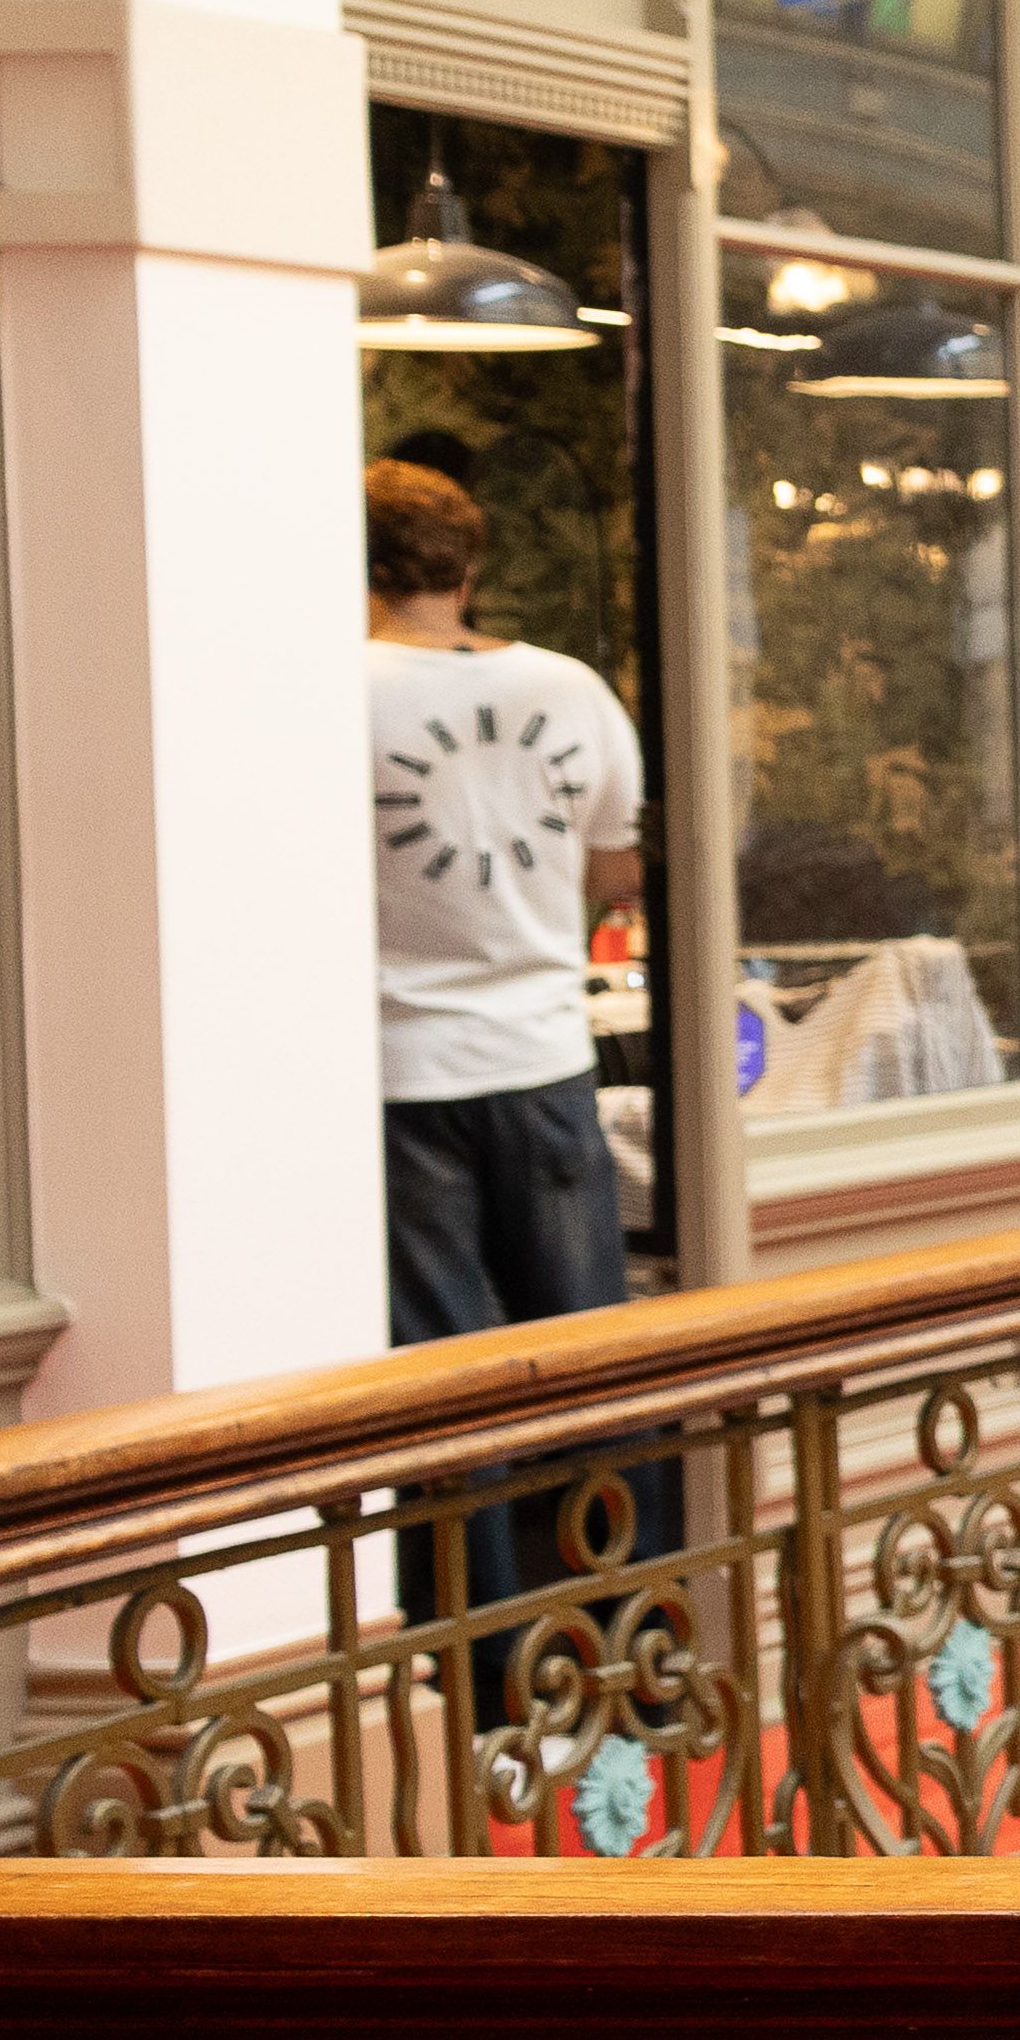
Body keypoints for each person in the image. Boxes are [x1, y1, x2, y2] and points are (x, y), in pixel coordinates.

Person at [363, 451, 647, 1438]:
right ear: (467, 571)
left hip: (404, 1073)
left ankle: (476, 1591)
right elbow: (619, 868)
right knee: (588, 1367)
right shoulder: (570, 689)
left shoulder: (337, 693)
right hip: (546, 1057)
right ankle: (629, 1590)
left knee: (445, 1382)